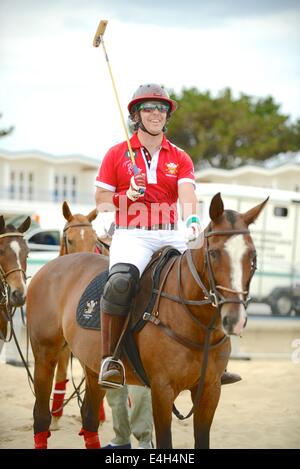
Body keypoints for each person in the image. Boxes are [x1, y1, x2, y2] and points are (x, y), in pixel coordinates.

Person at [95, 83, 241, 391]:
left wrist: (191, 220)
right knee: (120, 282)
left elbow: (187, 194)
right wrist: (127, 194)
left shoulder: (180, 156)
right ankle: (111, 359)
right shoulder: (117, 154)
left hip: (169, 232)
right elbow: (101, 201)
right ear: (136, 115)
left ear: (167, 116)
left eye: (162, 109)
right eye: (149, 108)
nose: (156, 114)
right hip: (132, 235)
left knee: (208, 273)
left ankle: (217, 359)